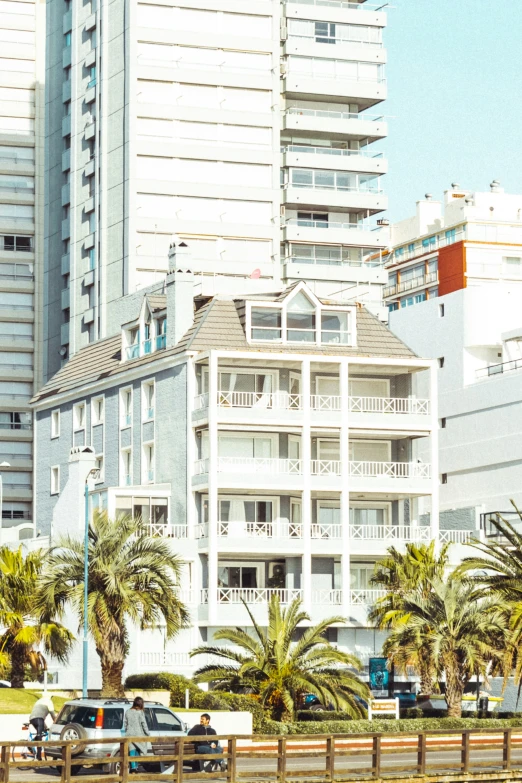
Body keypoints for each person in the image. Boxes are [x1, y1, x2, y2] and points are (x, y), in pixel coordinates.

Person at [123, 697, 150, 773]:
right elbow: (144, 723)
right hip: (138, 734)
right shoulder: (140, 712)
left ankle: (133, 767)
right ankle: (136, 767)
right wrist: (147, 733)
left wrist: (127, 730)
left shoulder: (128, 711)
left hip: (129, 734)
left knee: (132, 750)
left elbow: (125, 723)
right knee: (138, 749)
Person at [29, 694, 56, 761]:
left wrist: (46, 727)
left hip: (32, 719)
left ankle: (30, 744)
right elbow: (53, 715)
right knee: (40, 738)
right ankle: (39, 757)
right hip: (39, 719)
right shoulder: (49, 702)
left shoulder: (39, 701)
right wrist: (56, 723)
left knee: (40, 734)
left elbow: (38, 715)